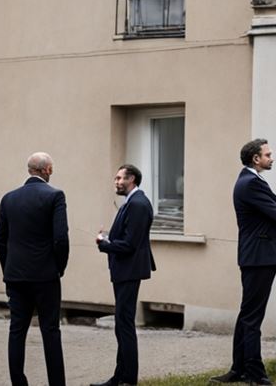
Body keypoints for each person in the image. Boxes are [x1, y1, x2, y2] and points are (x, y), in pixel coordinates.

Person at [211, 139, 276, 386]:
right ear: (256, 158)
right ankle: (255, 374)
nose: (272, 158)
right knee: (253, 317)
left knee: (248, 314)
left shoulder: (252, 181)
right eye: (268, 154)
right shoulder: (251, 183)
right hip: (259, 257)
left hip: (257, 256)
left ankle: (239, 369)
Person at [0, 152, 69, 386]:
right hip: (46, 276)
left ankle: (18, 382)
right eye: (51, 168)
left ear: (29, 170)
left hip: (15, 276)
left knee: (17, 330)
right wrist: (59, 267)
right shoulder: (55, 196)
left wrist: (8, 267)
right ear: (46, 170)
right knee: (50, 330)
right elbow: (60, 239)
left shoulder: (9, 198)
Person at [91, 164, 157, 386]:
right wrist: (108, 238)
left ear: (132, 180)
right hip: (124, 270)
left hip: (129, 270)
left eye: (120, 178)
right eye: (116, 178)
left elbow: (130, 244)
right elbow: (127, 237)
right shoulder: (131, 202)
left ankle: (128, 378)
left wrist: (105, 245)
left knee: (124, 324)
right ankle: (120, 376)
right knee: (121, 324)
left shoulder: (138, 204)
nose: (117, 182)